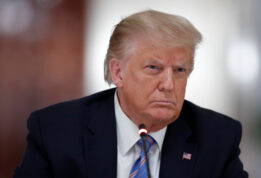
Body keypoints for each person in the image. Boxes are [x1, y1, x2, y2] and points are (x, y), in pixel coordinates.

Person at [14, 10, 248, 178]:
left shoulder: (217, 138)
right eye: (153, 68)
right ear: (118, 72)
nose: (168, 84)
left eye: (179, 70)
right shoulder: (56, 131)